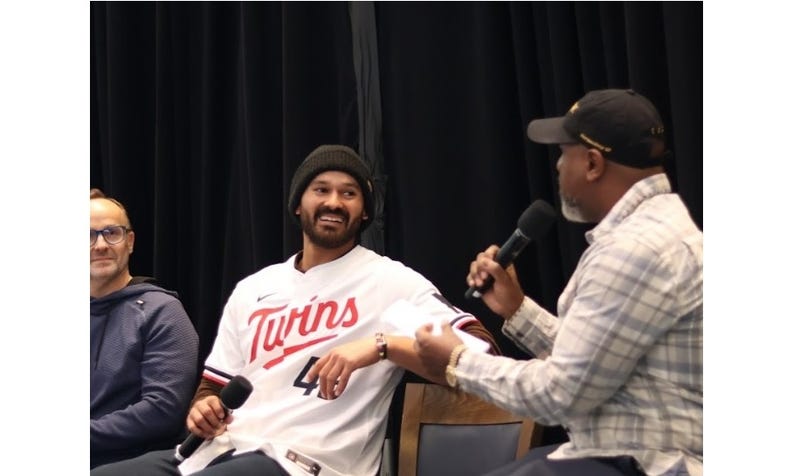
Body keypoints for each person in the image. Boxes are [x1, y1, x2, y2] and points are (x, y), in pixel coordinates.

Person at [91, 144, 499, 476]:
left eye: (349, 193)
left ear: (366, 212)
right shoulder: (255, 289)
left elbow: (480, 357)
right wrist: (203, 411)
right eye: (321, 189)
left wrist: (382, 346)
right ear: (298, 205)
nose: (334, 202)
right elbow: (214, 387)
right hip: (219, 452)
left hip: (305, 461)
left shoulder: (391, 283)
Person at [414, 89, 703, 476]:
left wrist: (457, 362)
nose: (558, 167)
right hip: (624, 453)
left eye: (564, 154)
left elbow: (559, 394)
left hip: (647, 463)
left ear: (593, 163)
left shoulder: (634, 250)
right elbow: (595, 361)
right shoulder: (658, 230)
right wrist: (517, 310)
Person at [91, 189, 200, 468]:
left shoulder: (161, 311)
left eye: (111, 233)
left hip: (128, 463)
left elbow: (162, 411)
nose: (100, 245)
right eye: (88, 236)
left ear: (130, 242)